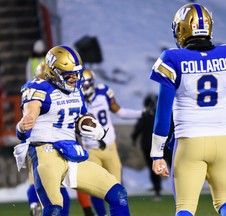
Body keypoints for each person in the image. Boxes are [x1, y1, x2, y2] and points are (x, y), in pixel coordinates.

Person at [149, 3, 226, 216]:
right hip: (222, 141)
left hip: (189, 141)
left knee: (185, 209)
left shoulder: (172, 59)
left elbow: (163, 113)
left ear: (182, 29)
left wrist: (157, 154)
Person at [13, 45, 130, 216]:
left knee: (118, 194)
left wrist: (88, 123)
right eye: (69, 74)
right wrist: (23, 125)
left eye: (77, 73)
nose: (74, 78)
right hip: (46, 153)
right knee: (54, 208)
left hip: (70, 152)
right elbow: (30, 115)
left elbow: (81, 116)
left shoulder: (76, 89)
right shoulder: (38, 89)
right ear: (53, 72)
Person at [76, 68, 143, 216]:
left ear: (92, 84)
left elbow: (120, 111)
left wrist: (141, 113)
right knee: (95, 186)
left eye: (85, 85)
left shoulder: (103, 93)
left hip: (109, 148)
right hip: (91, 150)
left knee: (118, 189)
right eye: (81, 85)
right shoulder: (77, 99)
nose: (83, 89)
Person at [25, 61, 71, 216]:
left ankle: (34, 204)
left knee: (38, 183)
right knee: (58, 186)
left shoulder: (34, 93)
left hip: (41, 144)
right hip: (51, 144)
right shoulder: (52, 93)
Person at [131, 93, 172, 201]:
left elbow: (137, 130)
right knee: (161, 167)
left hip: (156, 145)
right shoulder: (156, 114)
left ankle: (159, 191)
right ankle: (160, 190)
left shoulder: (152, 115)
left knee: (162, 167)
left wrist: (134, 139)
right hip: (157, 145)